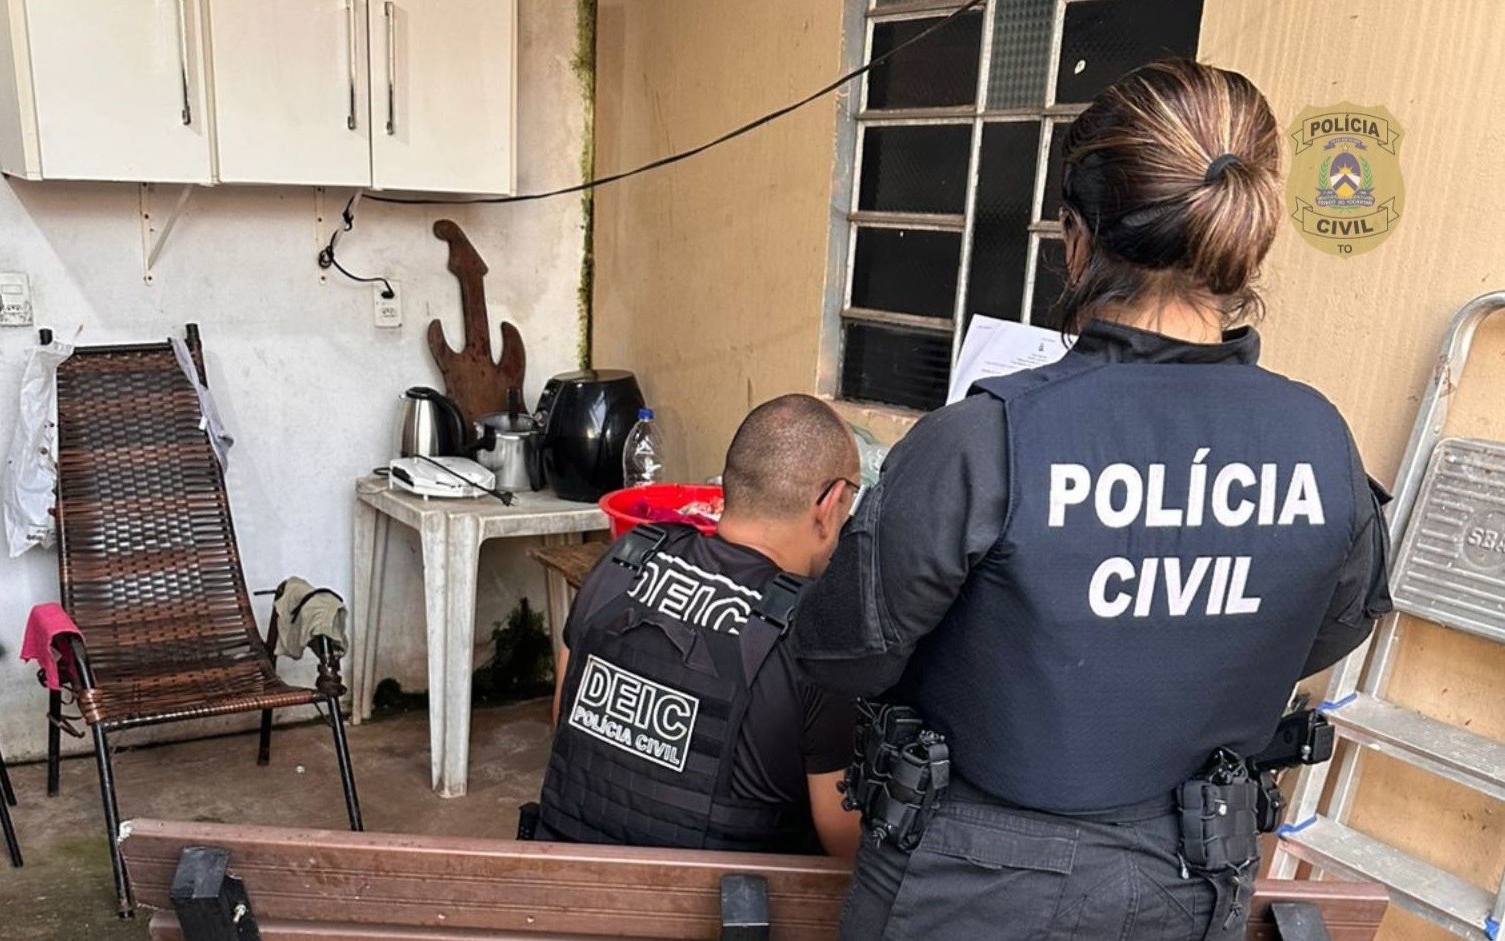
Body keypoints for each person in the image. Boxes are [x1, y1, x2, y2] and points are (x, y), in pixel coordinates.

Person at [790, 59, 1392, 940]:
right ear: (1241, 239)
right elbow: (1333, 626)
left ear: (1074, 239)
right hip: (1190, 875)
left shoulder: (984, 440)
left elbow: (840, 649)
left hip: (972, 881)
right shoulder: (1320, 443)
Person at [536, 394, 862, 858]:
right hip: (718, 902)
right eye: (850, 502)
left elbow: (563, 716)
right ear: (828, 504)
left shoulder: (625, 561)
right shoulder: (815, 634)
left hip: (564, 885)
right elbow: (845, 847)